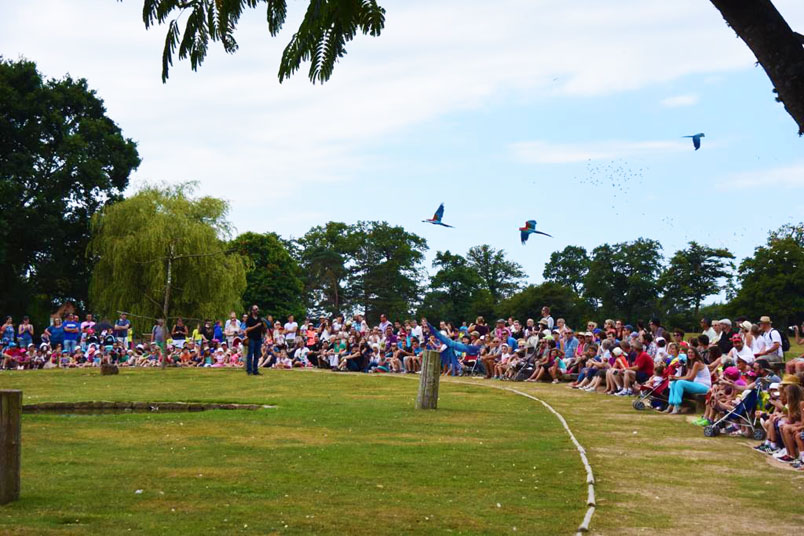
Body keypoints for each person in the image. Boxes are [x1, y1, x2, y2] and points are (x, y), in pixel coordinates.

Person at [664, 347, 711, 415]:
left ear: (695, 354)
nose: (690, 354)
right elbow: (687, 376)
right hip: (696, 384)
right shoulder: (690, 363)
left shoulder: (697, 363)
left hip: (704, 386)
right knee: (674, 382)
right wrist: (675, 377)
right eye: (688, 352)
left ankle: (677, 406)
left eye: (692, 352)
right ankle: (671, 404)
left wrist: (677, 378)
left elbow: (691, 378)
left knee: (680, 382)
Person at [244, 305, 266, 375]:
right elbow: (247, 329)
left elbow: (263, 329)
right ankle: (249, 370)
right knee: (250, 355)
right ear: (252, 311)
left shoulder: (260, 319)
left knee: (257, 355)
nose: (257, 310)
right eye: (256, 309)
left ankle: (255, 370)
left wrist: (265, 325)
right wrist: (256, 326)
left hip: (258, 339)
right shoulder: (249, 319)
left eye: (258, 309)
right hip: (251, 339)